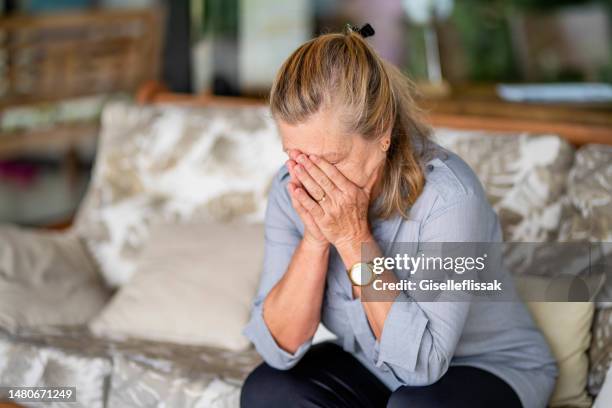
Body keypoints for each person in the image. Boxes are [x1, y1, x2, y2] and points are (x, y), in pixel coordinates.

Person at [240, 24, 557, 408]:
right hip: (375, 366)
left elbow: (422, 367)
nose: (314, 178)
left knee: (413, 406)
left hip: (485, 366)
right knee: (266, 391)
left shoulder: (448, 197)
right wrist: (316, 237)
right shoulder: (291, 187)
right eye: (299, 157)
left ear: (382, 133)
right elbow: (278, 349)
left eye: (333, 160)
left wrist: (353, 237)